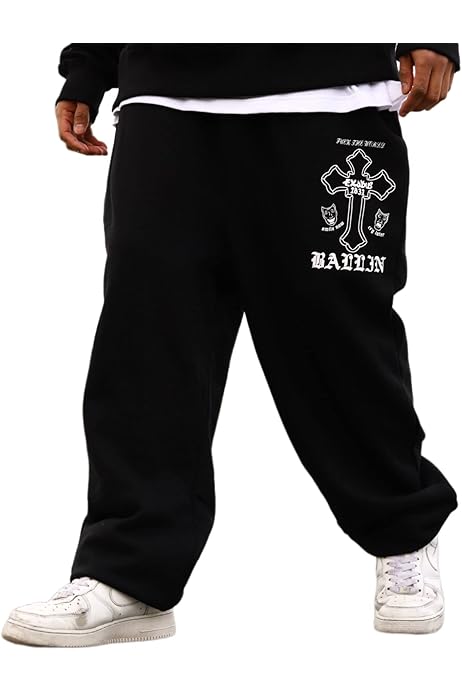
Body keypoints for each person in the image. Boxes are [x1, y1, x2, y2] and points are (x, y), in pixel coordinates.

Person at [2, 43, 459, 647]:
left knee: (339, 340)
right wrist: (90, 66)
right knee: (147, 342)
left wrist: (437, 29)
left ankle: (404, 533)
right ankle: (129, 573)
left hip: (329, 97)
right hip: (164, 100)